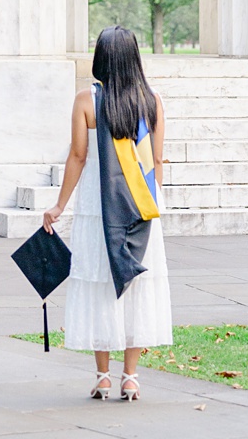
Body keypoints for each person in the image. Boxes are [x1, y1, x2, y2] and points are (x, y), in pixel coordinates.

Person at [41, 25, 172, 401]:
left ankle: (102, 375)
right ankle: (130, 377)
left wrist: (59, 205)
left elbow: (79, 157)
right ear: (134, 58)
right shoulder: (152, 101)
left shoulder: (87, 100)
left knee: (101, 285)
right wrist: (153, 203)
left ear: (101, 57)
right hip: (143, 206)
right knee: (138, 284)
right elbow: (157, 159)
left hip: (99, 209)